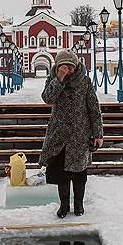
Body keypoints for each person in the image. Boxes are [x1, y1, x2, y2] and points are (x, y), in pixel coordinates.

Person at [39, 50, 104, 218]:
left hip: (80, 134)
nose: (69, 70)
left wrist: (98, 134)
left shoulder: (85, 82)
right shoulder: (53, 79)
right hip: (59, 134)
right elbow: (47, 98)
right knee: (62, 174)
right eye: (65, 67)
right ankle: (64, 205)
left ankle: (79, 204)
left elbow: (94, 109)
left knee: (79, 173)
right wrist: (59, 79)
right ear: (59, 66)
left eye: (71, 67)